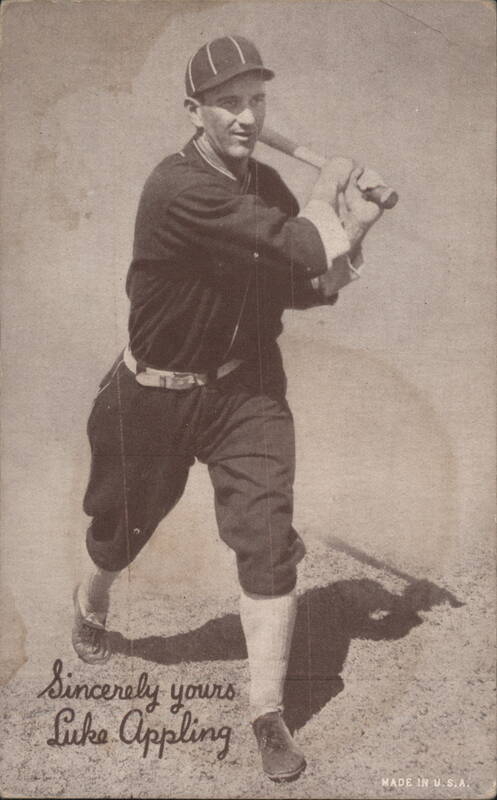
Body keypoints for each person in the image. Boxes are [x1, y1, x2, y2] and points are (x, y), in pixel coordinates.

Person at [72, 35, 383, 782]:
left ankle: (265, 711)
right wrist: (331, 185)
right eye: (228, 102)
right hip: (153, 395)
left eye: (255, 100)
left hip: (245, 392)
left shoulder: (265, 189)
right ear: (194, 110)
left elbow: (305, 283)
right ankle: (92, 597)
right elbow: (307, 241)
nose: (246, 116)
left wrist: (360, 228)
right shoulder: (179, 188)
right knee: (120, 529)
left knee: (266, 537)